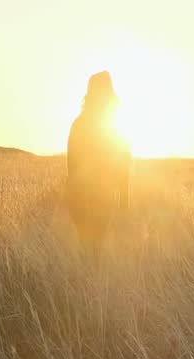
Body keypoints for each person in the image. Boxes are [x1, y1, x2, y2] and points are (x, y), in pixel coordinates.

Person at [66, 71, 131, 259]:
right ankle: (91, 281)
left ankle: (88, 280)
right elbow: (123, 164)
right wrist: (124, 203)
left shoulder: (80, 124)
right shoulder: (114, 128)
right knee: (94, 251)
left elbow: (72, 166)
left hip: (85, 197)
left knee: (89, 250)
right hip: (96, 197)